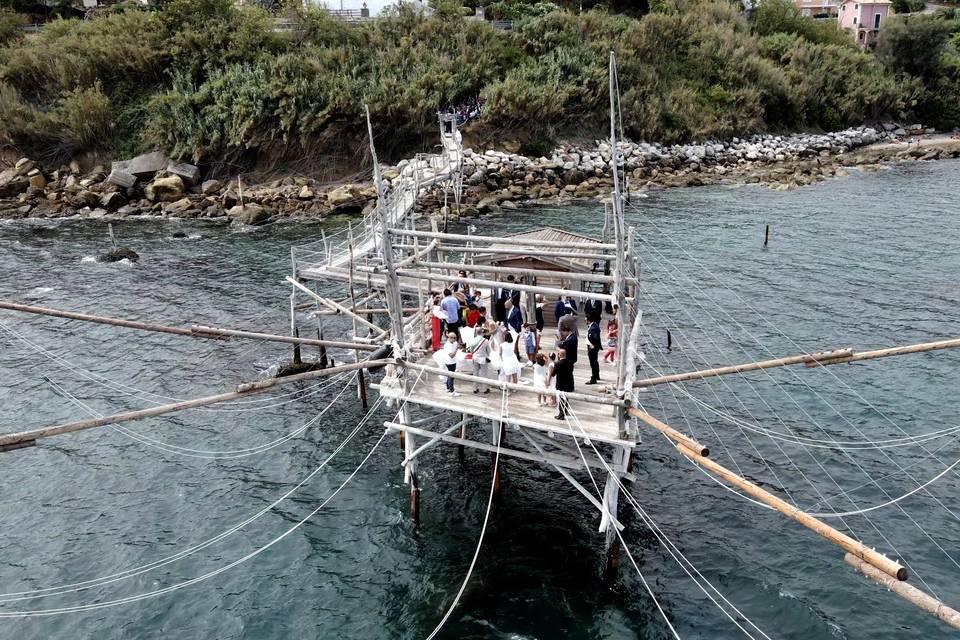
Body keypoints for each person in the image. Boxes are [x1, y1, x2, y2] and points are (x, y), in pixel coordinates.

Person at [549, 348, 575, 420]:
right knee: (566, 398)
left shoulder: (557, 364)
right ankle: (565, 411)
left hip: (561, 384)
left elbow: (553, 374)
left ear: (559, 355)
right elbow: (571, 371)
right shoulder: (570, 362)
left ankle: (561, 415)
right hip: (568, 383)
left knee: (561, 399)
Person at [468, 328, 493, 394]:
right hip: (483, 358)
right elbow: (489, 351)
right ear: (482, 332)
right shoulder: (486, 341)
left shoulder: (473, 340)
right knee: (484, 374)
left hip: (475, 358)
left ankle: (475, 388)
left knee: (475, 373)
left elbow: (471, 350)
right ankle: (485, 389)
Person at [441, 332, 461, 396]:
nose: (455, 339)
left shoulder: (455, 342)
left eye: (455, 337)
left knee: (449, 375)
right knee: (451, 376)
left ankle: (448, 388)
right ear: (449, 338)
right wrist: (456, 349)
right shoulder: (447, 345)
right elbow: (451, 355)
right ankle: (451, 391)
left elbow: (458, 345)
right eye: (453, 338)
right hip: (449, 362)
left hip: (453, 361)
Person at [586, 318, 601, 384]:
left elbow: (595, 338)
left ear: (588, 320)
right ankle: (596, 375)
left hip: (593, 348)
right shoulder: (593, 326)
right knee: (594, 362)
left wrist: (593, 345)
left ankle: (594, 378)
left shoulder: (594, 328)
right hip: (592, 347)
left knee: (593, 362)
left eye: (586, 319)